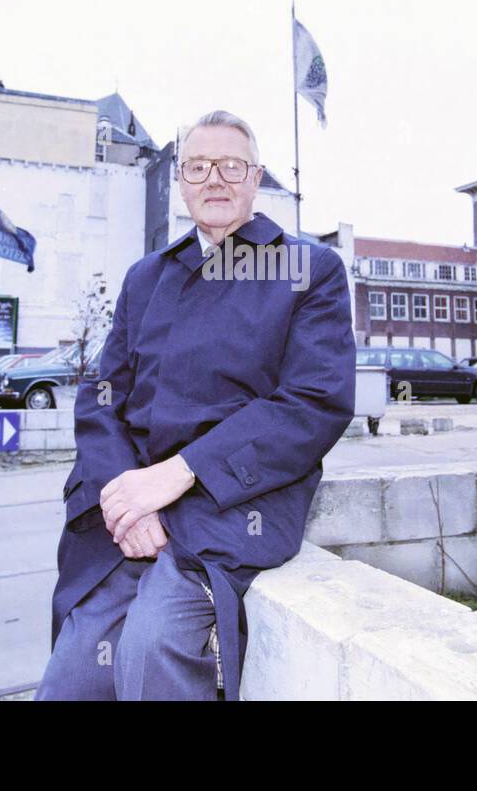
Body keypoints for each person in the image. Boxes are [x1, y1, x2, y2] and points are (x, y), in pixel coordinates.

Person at [35, 109, 355, 701]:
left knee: (153, 647)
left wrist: (176, 477)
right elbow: (103, 398)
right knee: (73, 676)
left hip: (231, 503)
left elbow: (313, 403)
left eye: (232, 165)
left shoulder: (311, 270)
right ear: (180, 181)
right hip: (132, 510)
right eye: (198, 166)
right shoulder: (146, 277)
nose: (216, 179)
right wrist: (124, 498)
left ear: (257, 177)